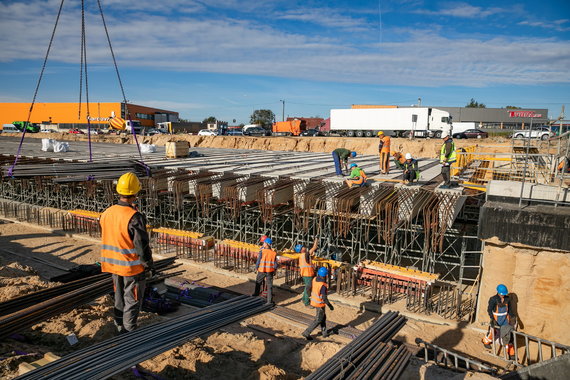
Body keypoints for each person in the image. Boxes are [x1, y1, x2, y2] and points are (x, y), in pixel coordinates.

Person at [100, 172, 154, 334]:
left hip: (112, 263)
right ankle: (129, 331)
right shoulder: (134, 216)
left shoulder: (107, 212)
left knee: (119, 295)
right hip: (131, 267)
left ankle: (119, 324)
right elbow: (141, 245)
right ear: (136, 193)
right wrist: (148, 266)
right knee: (132, 298)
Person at [482, 284, 516, 359]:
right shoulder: (493, 299)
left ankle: (511, 353)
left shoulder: (508, 299)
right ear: (498, 292)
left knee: (508, 335)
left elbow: (509, 310)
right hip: (496, 319)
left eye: (504, 294)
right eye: (501, 294)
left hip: (505, 319)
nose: (503, 296)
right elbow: (489, 310)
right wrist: (492, 319)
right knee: (492, 333)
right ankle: (486, 341)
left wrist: (513, 317)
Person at [302, 267, 334, 340]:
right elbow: (324, 298)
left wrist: (309, 295)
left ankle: (324, 333)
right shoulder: (323, 285)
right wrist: (330, 305)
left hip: (314, 302)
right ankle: (306, 332)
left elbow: (307, 287)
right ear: (325, 275)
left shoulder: (314, 279)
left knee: (323, 317)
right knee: (318, 320)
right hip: (319, 304)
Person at [253, 237, 278, 304]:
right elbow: (275, 264)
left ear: (267, 244)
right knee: (269, 286)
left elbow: (258, 260)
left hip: (262, 270)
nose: (263, 244)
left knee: (258, 282)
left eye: (264, 243)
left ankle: (256, 294)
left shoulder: (262, 251)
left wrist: (256, 267)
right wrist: (275, 270)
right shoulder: (274, 253)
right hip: (270, 271)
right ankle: (269, 301)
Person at [295, 239, 318, 306]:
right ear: (301, 250)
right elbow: (314, 248)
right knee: (308, 288)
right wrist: (316, 241)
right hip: (307, 274)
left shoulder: (302, 256)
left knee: (307, 287)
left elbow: (309, 260)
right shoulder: (305, 255)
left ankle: (304, 299)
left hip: (305, 273)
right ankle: (307, 302)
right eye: (302, 247)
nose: (304, 247)